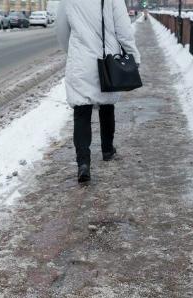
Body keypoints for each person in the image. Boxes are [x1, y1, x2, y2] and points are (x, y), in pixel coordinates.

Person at [55, 0, 140, 183]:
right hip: (107, 60)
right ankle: (107, 150)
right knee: (107, 104)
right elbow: (124, 30)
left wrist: (73, 52)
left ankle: (83, 163)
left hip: (81, 61)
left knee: (81, 111)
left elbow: (61, 29)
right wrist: (134, 55)